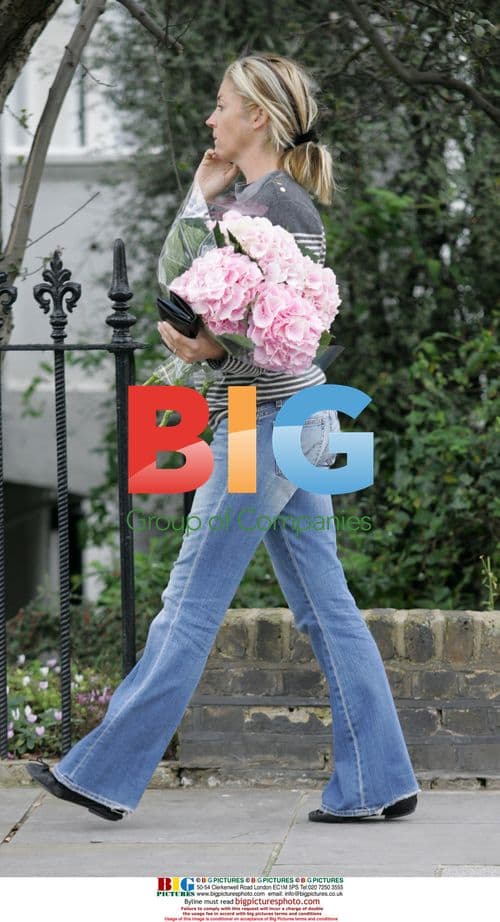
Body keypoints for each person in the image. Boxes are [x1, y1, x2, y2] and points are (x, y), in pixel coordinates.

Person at [28, 52, 420, 823]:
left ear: (257, 119)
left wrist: (215, 350)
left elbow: (286, 334)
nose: (210, 118)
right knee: (325, 606)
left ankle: (101, 776)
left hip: (268, 422)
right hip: (297, 419)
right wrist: (200, 193)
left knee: (188, 603)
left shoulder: (275, 208)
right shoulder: (261, 199)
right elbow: (184, 288)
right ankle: (380, 783)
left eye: (221, 105)